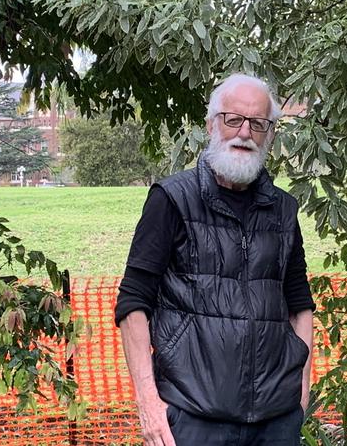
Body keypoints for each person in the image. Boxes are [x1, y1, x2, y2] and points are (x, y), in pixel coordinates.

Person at [115, 73, 315, 446]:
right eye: (233, 119)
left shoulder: (284, 210)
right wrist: (148, 404)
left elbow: (300, 305)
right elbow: (133, 303)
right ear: (211, 124)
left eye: (258, 123)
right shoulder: (171, 199)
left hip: (276, 422)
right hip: (193, 419)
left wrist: (301, 392)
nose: (244, 132)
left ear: (269, 134)